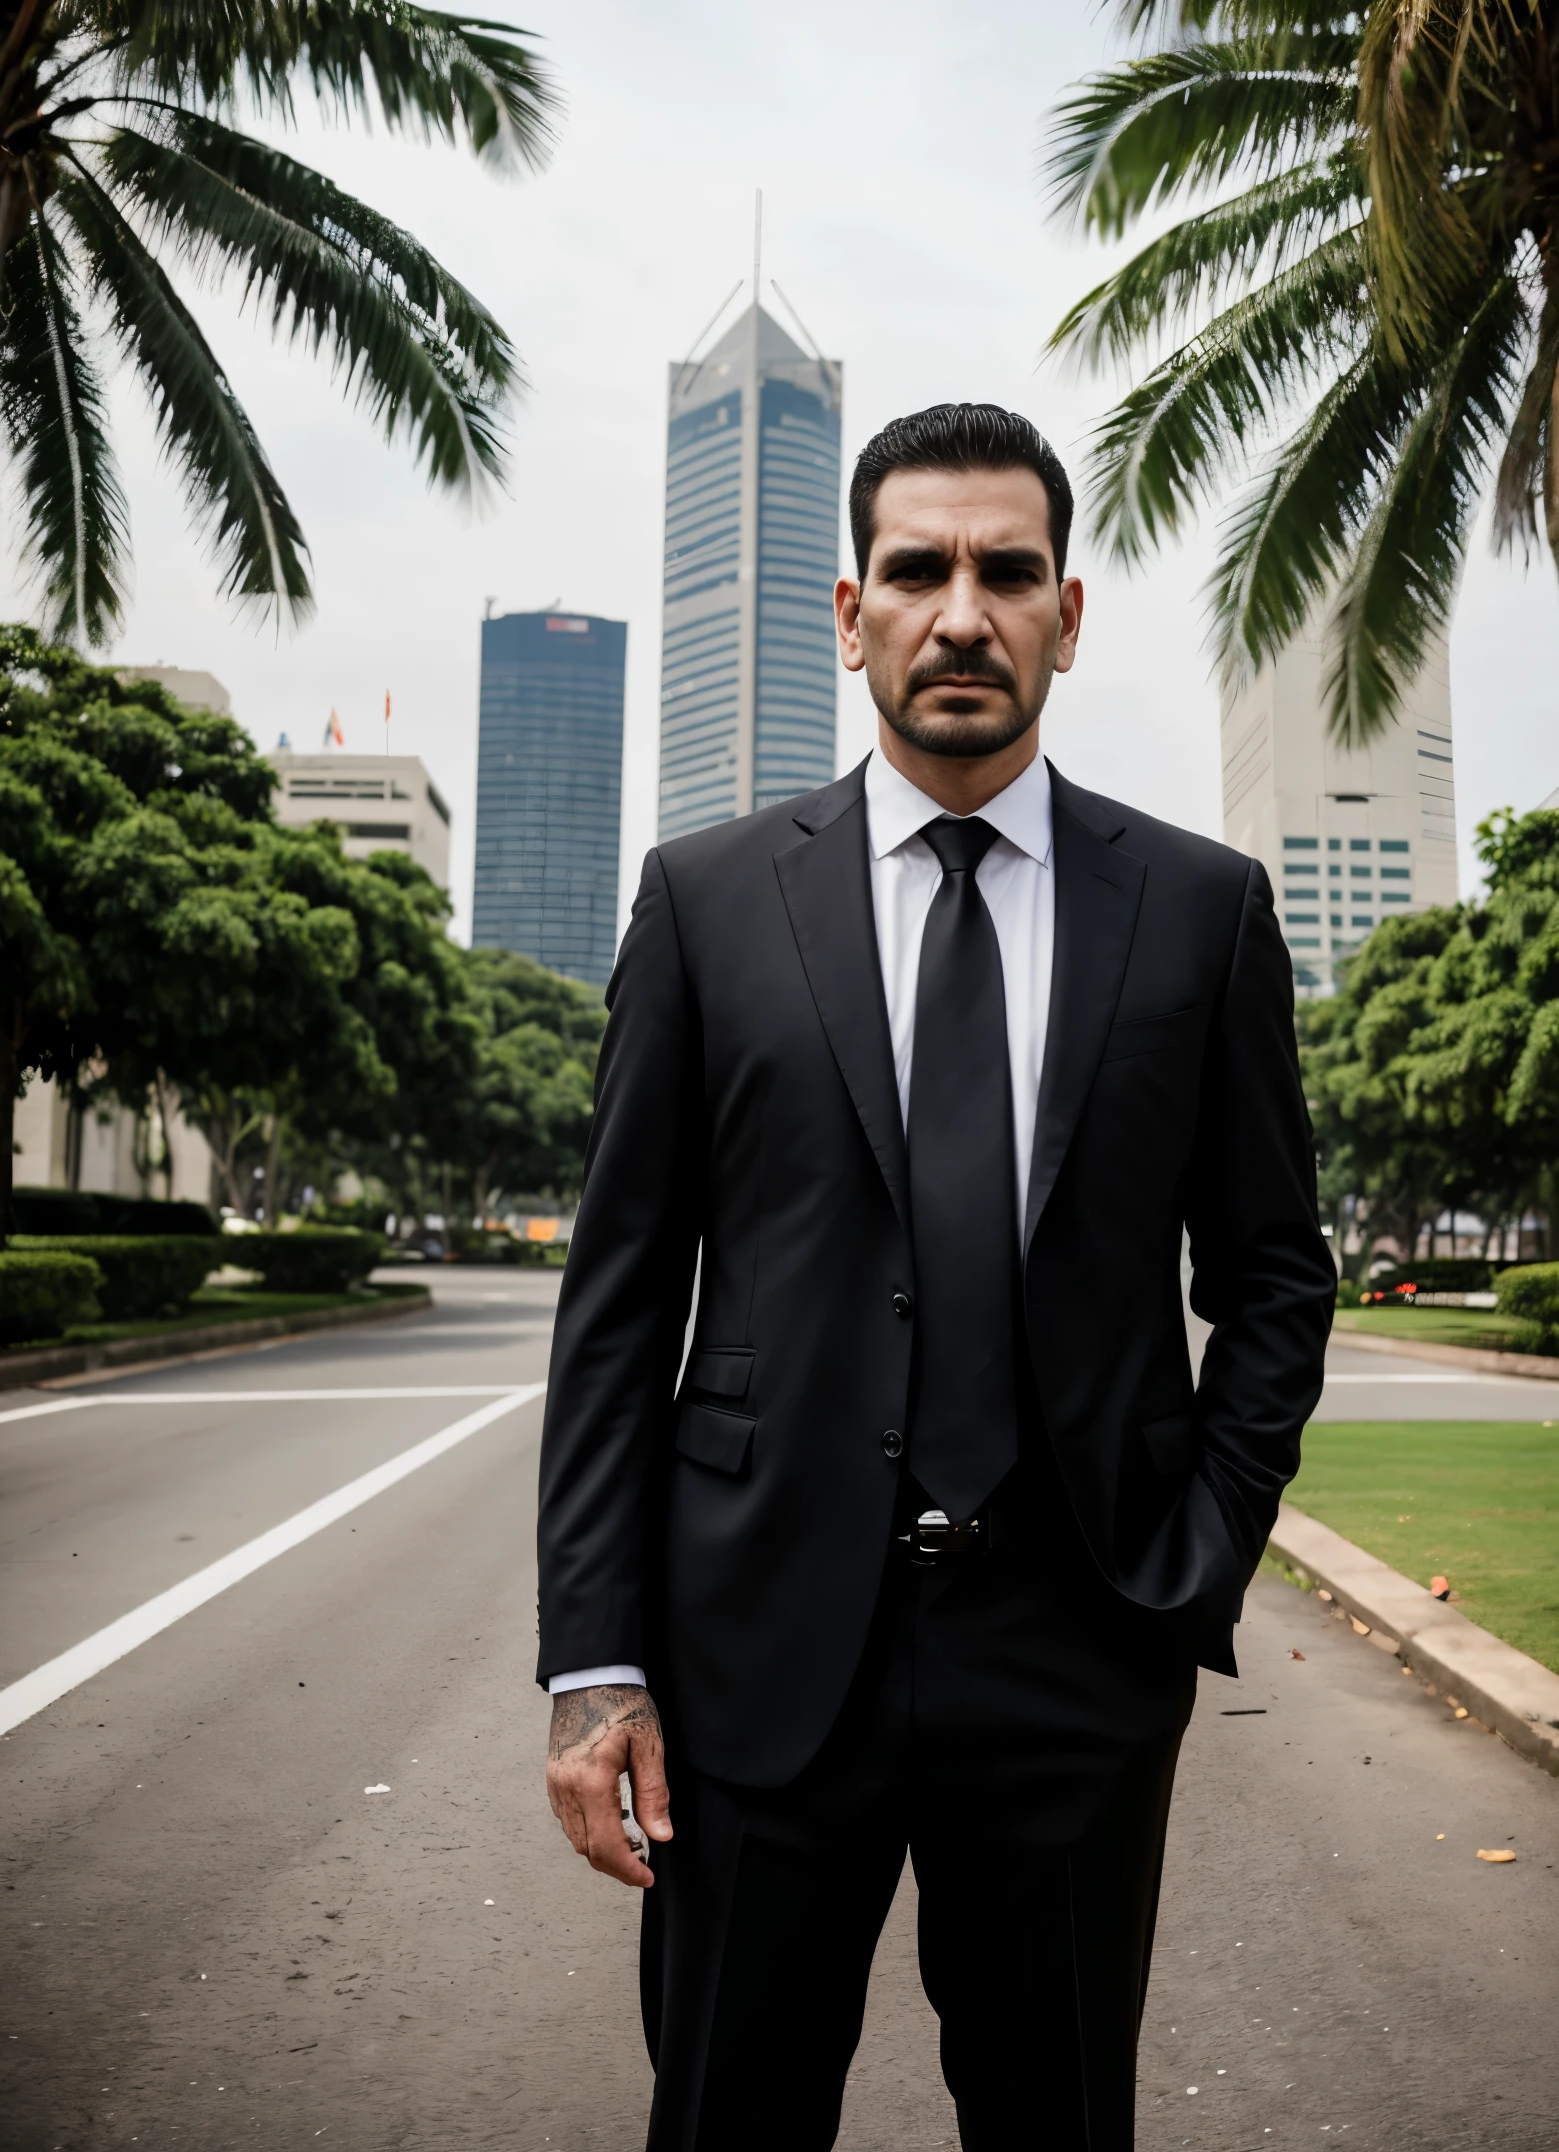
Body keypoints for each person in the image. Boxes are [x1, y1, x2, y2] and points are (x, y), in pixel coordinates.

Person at [536, 403, 1334, 2151]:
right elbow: (614, 1315)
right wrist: (594, 1663)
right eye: (918, 570)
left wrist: (1196, 1557)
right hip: (755, 1668)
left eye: (1005, 571)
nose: (959, 612)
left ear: (1068, 609)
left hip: (1078, 1658)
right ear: (850, 610)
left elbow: (1276, 1274)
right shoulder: (708, 901)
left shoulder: (1201, 911)